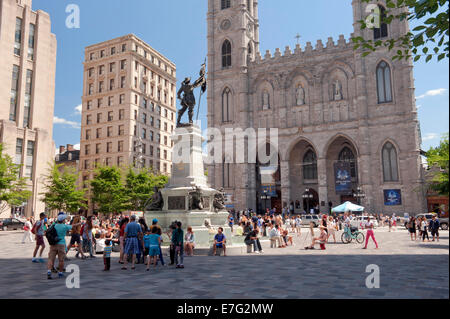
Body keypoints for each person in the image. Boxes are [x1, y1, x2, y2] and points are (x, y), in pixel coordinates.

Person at [47, 214, 80, 279]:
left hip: (53, 244)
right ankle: (60, 273)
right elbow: (72, 226)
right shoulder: (65, 226)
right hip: (61, 244)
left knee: (51, 259)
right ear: (63, 220)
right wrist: (79, 223)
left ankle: (49, 272)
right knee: (61, 260)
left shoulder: (54, 225)